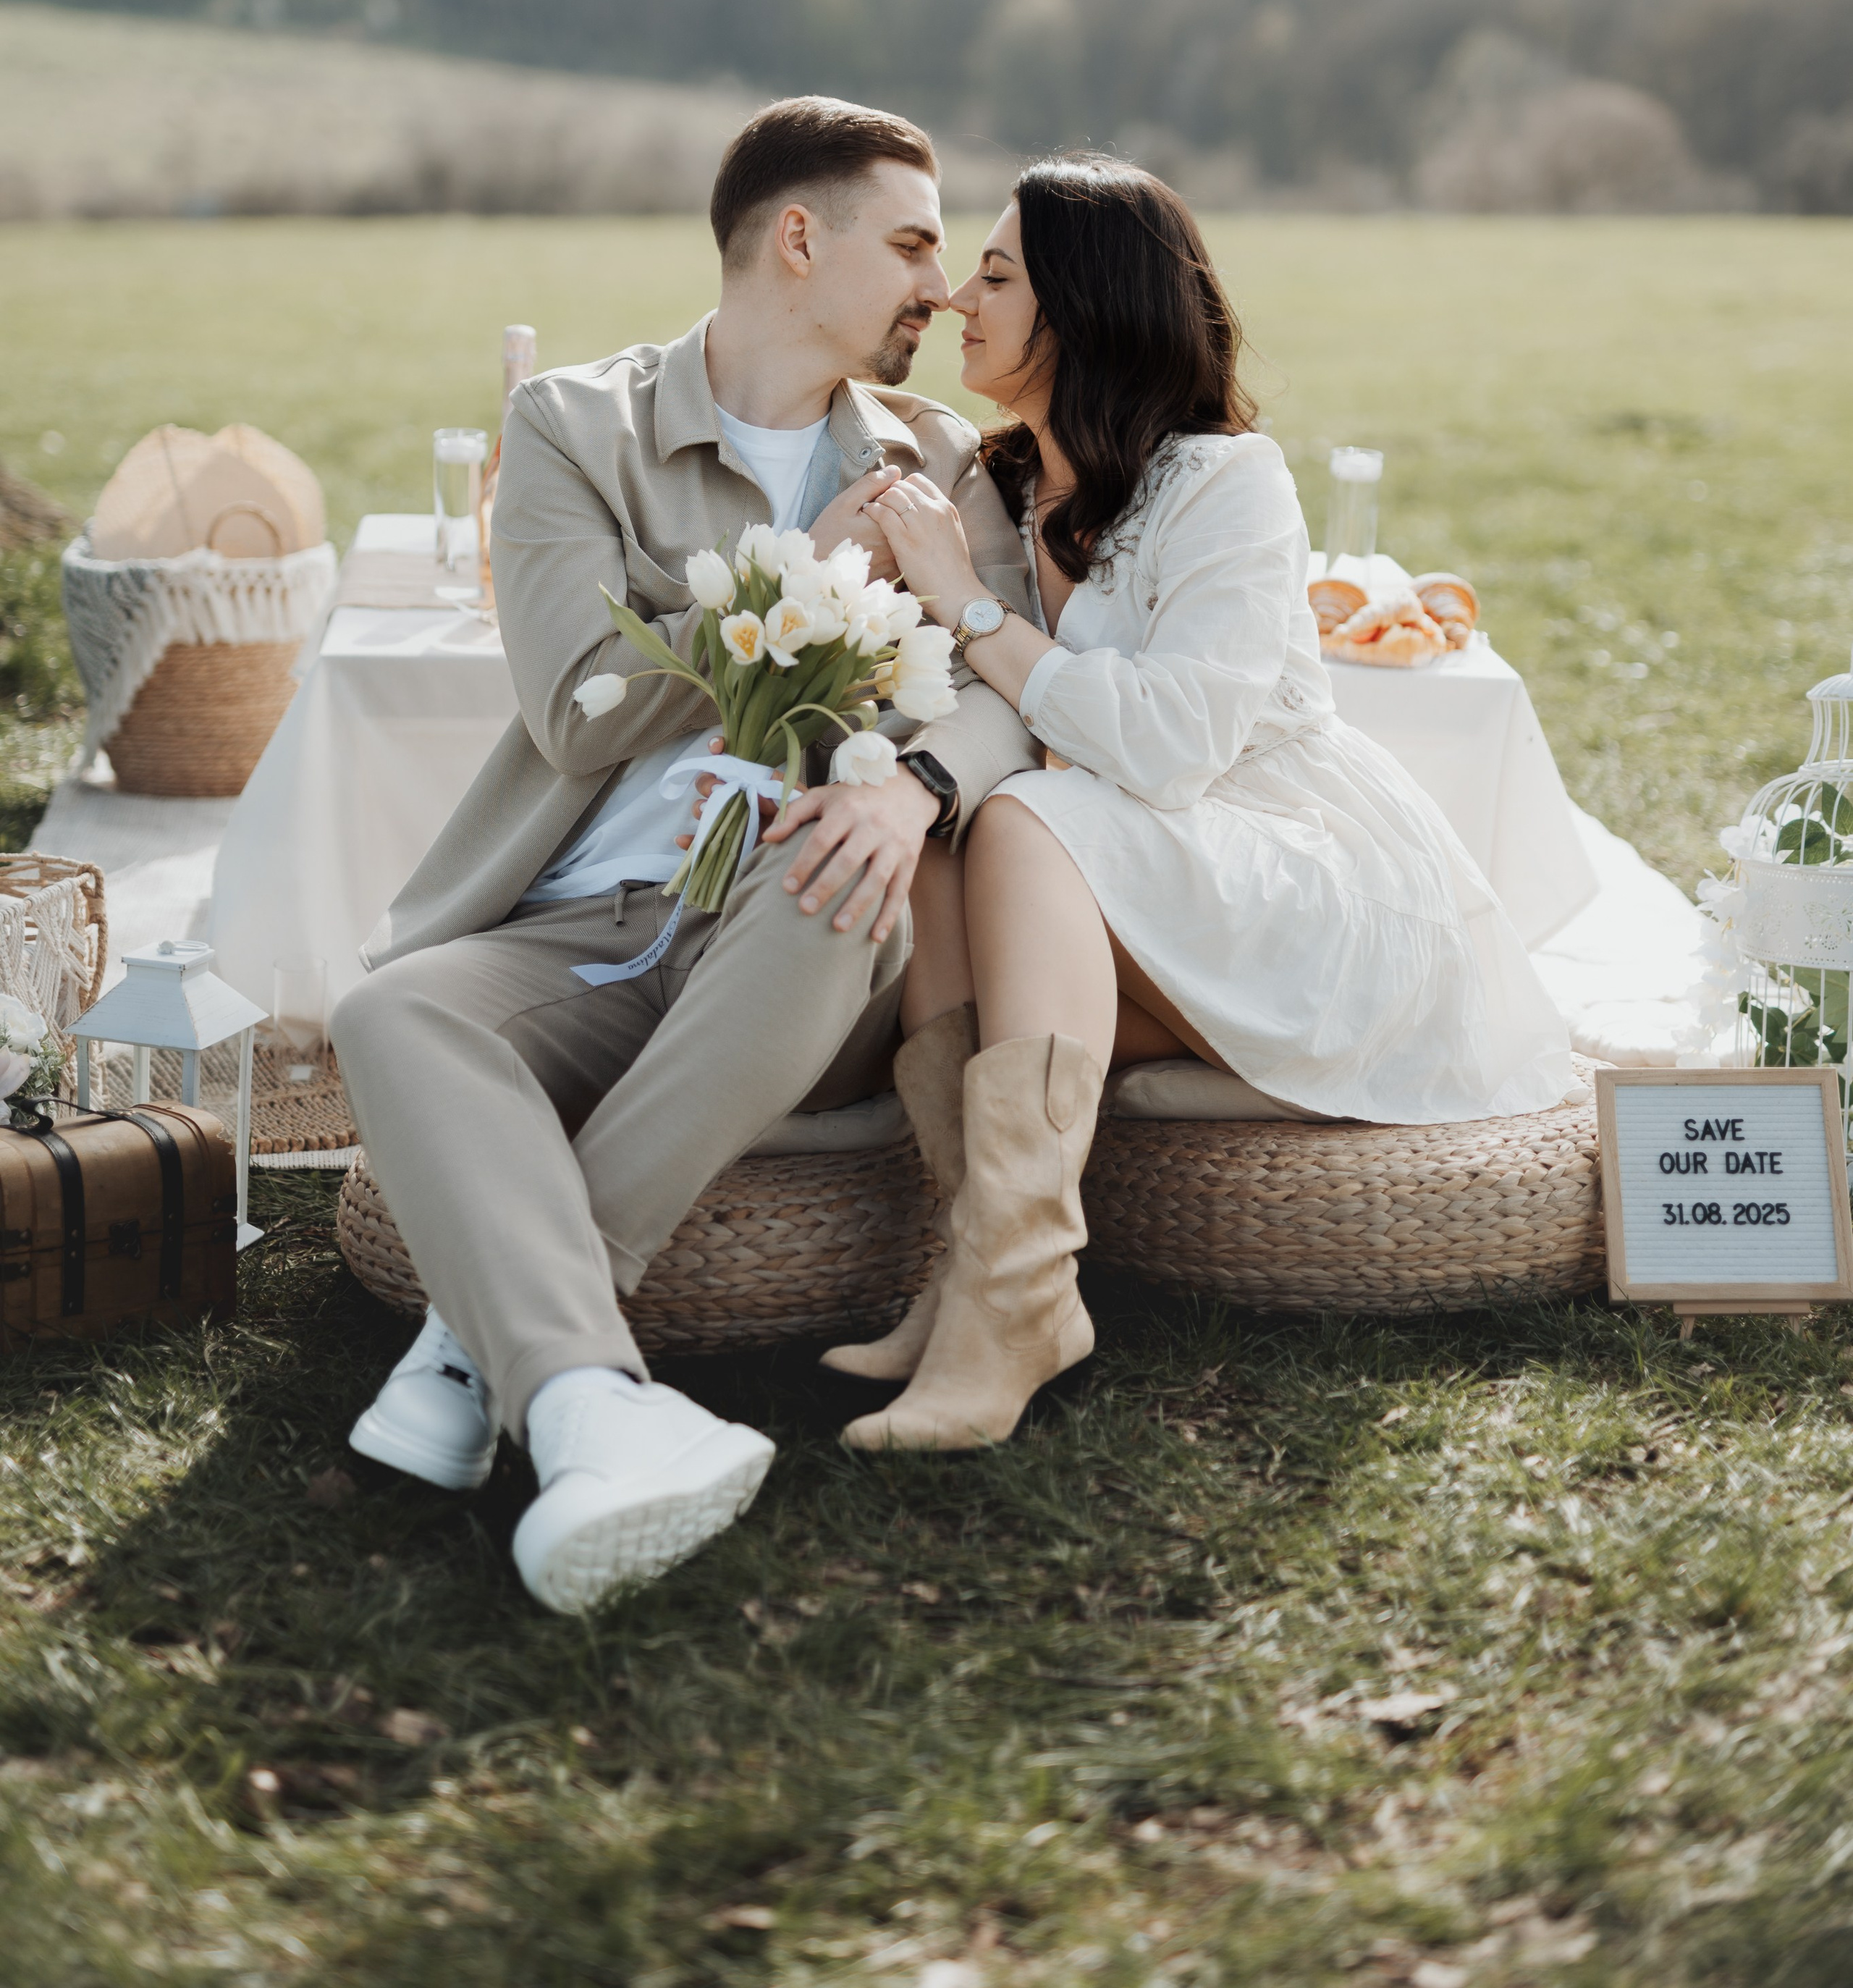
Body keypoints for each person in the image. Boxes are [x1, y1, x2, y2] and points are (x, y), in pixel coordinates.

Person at [331, 98, 1034, 1609]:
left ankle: (476, 1355)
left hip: (788, 925)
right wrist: (804, 581)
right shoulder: (574, 427)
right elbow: (577, 712)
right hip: (580, 924)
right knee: (391, 1013)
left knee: (833, 877)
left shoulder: (936, 451)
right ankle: (587, 1406)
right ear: (798, 238)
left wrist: (912, 787)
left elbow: (1000, 699)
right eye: (912, 243)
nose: (937, 284)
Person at [821, 154, 1580, 1452]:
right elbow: (982, 707)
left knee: (1017, 820)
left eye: (996, 275)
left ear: (1089, 306)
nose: (957, 298)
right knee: (951, 841)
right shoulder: (1001, 491)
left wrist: (968, 604)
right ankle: (979, 1269)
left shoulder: (1228, 483)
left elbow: (1173, 747)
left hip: (1299, 874)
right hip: (1139, 883)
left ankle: (1016, 1300)